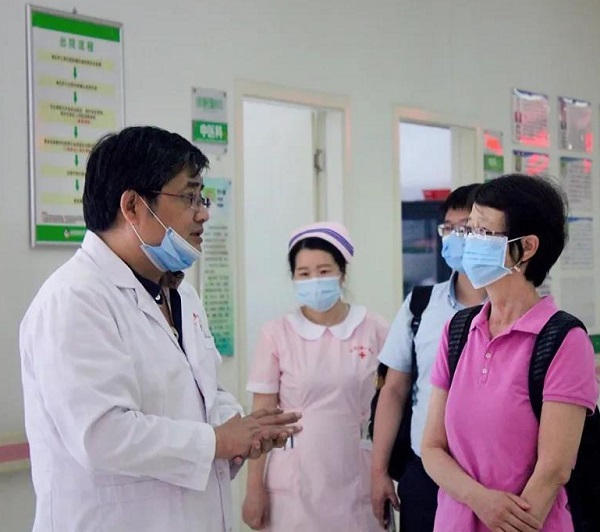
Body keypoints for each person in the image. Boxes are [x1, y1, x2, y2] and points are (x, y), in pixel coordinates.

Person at [19, 126, 301, 532]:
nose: (203, 213)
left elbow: (204, 392)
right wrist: (219, 441)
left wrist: (245, 429)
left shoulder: (180, 294)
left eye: (203, 198)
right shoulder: (74, 300)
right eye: (189, 197)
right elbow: (101, 434)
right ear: (133, 206)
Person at [421, 173, 599, 531]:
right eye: (468, 229)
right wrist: (479, 500)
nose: (468, 241)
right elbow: (432, 448)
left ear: (526, 247)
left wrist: (505, 521)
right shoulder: (458, 330)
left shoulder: (563, 339)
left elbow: (554, 469)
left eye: (482, 231)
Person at [242, 222, 389, 531]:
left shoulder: (374, 328)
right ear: (294, 278)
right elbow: (261, 419)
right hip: (294, 481)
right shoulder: (276, 334)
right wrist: (253, 489)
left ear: (342, 273)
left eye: (324, 271)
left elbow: (393, 404)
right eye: (304, 273)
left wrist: (386, 473)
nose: (314, 281)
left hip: (358, 474)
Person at [371, 184, 487, 531]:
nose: (455, 238)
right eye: (448, 228)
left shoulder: (514, 311)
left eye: (466, 228)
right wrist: (378, 471)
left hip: (493, 475)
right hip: (426, 474)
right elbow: (393, 390)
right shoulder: (421, 305)